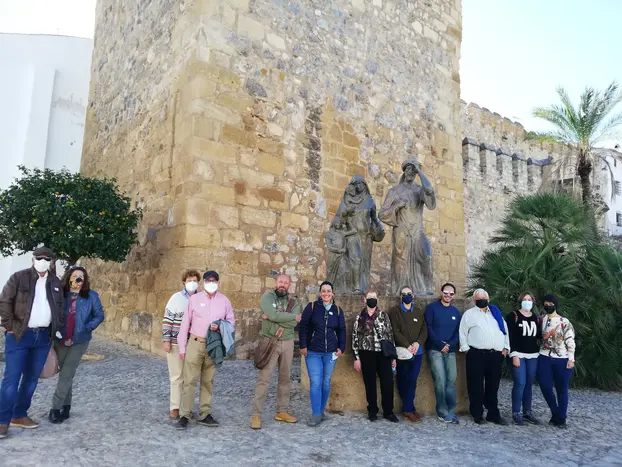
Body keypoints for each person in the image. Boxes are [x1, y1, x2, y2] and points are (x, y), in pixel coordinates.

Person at [0, 247, 64, 439]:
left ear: (52, 261)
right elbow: (4, 302)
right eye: (39, 258)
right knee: (11, 379)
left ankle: (19, 414)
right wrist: (10, 326)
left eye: (47, 258)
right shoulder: (18, 278)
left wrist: (56, 327)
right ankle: (2, 420)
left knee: (31, 379)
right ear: (33, 259)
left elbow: (60, 307)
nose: (43, 261)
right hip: (19, 336)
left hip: (43, 337)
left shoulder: (55, 282)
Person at [176, 271, 234, 430]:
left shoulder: (225, 301)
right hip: (195, 343)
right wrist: (182, 347)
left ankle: (205, 413)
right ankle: (185, 414)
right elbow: (185, 324)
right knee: (189, 380)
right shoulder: (194, 300)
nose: (211, 283)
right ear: (203, 283)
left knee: (208, 381)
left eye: (214, 281)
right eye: (208, 281)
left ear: (219, 283)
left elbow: (231, 322)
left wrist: (220, 325)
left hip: (213, 345)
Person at [48, 266, 104, 423]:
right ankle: (66, 406)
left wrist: (87, 327)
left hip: (79, 340)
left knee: (66, 373)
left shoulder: (91, 296)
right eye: (75, 276)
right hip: (60, 339)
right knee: (66, 374)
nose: (78, 279)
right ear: (69, 277)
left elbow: (99, 315)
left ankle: (55, 408)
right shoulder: (61, 294)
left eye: (81, 277)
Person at [251, 274, 301, 430]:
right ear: (276, 282)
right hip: (271, 342)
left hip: (288, 342)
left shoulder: (294, 302)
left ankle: (282, 411)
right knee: (264, 379)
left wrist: (273, 318)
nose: (283, 284)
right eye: (280, 281)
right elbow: (275, 315)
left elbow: (294, 322)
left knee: (285, 378)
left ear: (289, 285)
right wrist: (289, 317)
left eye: (286, 283)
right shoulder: (267, 297)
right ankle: (256, 415)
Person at [459, 288, 510, 425]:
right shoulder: (469, 314)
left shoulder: (496, 313)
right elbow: (462, 332)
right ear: (474, 300)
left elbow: (504, 330)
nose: (482, 300)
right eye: (479, 298)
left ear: (488, 299)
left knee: (493, 386)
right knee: (476, 385)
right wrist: (467, 350)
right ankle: (477, 413)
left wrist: (506, 348)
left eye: (484, 298)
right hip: (476, 354)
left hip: (495, 355)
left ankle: (493, 414)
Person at [299, 281, 346, 427]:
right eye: (323, 291)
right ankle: (315, 414)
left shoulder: (337, 310)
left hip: (330, 353)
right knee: (316, 382)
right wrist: (303, 345)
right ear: (320, 293)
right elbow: (303, 326)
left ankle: (321, 411)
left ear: (332, 294)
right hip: (313, 352)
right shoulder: (312, 307)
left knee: (326, 382)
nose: (326, 293)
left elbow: (342, 330)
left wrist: (341, 347)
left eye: (329, 291)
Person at [352, 287, 398, 423]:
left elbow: (390, 335)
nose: (372, 300)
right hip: (366, 353)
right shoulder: (359, 317)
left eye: (374, 297)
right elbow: (355, 338)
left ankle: (388, 411)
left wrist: (393, 356)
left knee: (387, 383)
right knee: (370, 383)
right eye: (369, 297)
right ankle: (372, 410)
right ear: (364, 299)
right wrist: (356, 358)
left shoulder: (383, 316)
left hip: (383, 354)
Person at [162, 269, 201, 420]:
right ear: (184, 282)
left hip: (193, 344)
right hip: (176, 342)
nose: (192, 283)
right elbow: (167, 320)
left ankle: (186, 407)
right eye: (189, 280)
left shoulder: (200, 299)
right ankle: (175, 407)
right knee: (176, 376)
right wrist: (166, 340)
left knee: (189, 377)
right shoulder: (176, 298)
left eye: (195, 280)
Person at [389, 285, 427, 423]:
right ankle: (409, 408)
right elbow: (395, 331)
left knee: (412, 379)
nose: (407, 296)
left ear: (413, 295)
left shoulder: (418, 311)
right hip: (403, 352)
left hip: (417, 351)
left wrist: (417, 343)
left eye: (409, 293)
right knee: (403, 379)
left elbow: (424, 330)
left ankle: (408, 408)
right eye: (404, 294)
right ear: (400, 296)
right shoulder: (395, 311)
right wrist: (408, 345)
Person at [425, 282, 461, 424]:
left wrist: (449, 345)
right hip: (435, 350)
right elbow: (428, 328)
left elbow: (458, 332)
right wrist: (440, 344)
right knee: (440, 380)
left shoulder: (455, 312)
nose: (448, 295)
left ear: (454, 295)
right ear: (441, 293)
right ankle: (442, 411)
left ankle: (451, 411)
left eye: (451, 294)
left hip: (450, 351)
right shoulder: (432, 308)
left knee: (451, 381)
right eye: (446, 293)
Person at [538, 293, 576, 429]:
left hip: (562, 358)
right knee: (545, 386)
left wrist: (571, 358)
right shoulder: (541, 320)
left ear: (555, 305)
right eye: (546, 304)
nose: (548, 306)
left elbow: (570, 340)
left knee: (561, 389)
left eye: (550, 304)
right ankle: (555, 412)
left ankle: (562, 417)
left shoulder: (564, 322)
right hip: (544, 356)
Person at [505, 292, 542, 426]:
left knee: (528, 384)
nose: (527, 301)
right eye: (525, 299)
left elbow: (538, 336)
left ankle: (527, 412)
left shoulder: (536, 318)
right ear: (520, 301)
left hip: (532, 355)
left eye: (529, 299)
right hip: (518, 354)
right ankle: (516, 412)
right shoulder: (513, 316)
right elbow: (510, 336)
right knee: (520, 382)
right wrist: (514, 354)